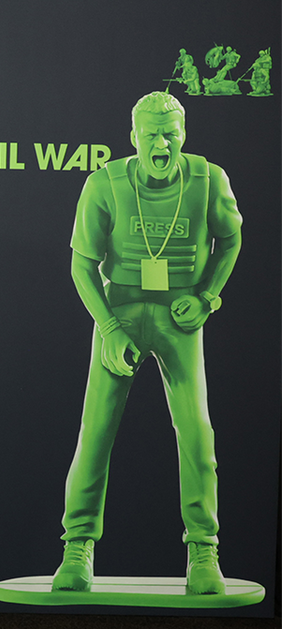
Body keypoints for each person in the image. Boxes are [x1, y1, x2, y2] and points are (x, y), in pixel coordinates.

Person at [51, 92, 241, 595]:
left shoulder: (207, 180)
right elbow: (81, 265)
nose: (161, 143)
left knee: (197, 431)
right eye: (150, 133)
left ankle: (204, 551)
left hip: (182, 314)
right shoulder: (105, 184)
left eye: (170, 133)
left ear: (184, 135)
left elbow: (231, 238)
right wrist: (110, 329)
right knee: (96, 431)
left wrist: (207, 298)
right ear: (132, 136)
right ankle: (77, 546)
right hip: (122, 309)